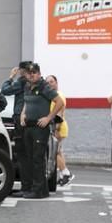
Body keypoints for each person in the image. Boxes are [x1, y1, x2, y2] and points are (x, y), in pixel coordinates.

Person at [20, 64, 64, 198]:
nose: (31, 74)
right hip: (28, 126)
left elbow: (59, 101)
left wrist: (49, 118)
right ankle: (29, 188)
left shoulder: (44, 86)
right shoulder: (27, 86)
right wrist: (23, 113)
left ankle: (38, 191)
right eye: (29, 72)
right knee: (28, 159)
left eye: (34, 72)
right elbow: (27, 102)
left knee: (38, 159)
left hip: (40, 128)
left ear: (39, 74)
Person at [1, 60, 32, 197]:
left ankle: (26, 187)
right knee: (29, 155)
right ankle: (30, 186)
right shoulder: (33, 82)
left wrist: (10, 77)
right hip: (30, 119)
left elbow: (5, 90)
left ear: (21, 70)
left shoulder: (21, 82)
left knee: (22, 154)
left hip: (20, 119)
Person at [45, 75, 73, 186]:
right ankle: (63, 175)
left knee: (54, 152)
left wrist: (56, 129)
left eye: (51, 81)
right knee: (59, 151)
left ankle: (66, 173)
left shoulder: (59, 96)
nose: (49, 84)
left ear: (56, 83)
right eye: (47, 82)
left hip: (59, 127)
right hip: (56, 127)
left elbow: (59, 114)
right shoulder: (52, 96)